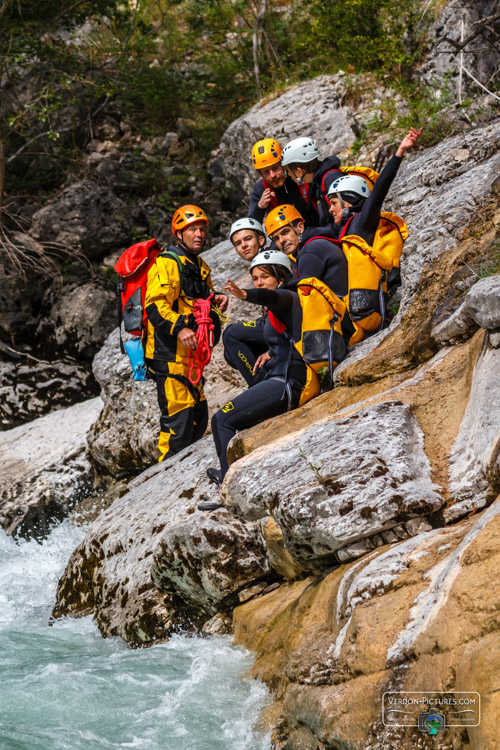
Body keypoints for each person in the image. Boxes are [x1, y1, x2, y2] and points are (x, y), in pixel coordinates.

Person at [199, 250, 320, 510]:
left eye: (264, 276)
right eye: (254, 279)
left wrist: (246, 295)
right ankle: (227, 476)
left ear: (280, 276)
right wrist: (269, 352)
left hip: (288, 382)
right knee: (224, 419)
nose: (259, 283)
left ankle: (226, 487)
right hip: (281, 377)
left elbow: (272, 296)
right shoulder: (278, 309)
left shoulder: (289, 296)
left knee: (222, 420)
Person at [144, 204, 228, 462]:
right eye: (192, 229)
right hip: (169, 354)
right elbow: (155, 304)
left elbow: (201, 301)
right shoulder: (167, 263)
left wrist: (217, 302)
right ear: (178, 234)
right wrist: (179, 328)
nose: (199, 234)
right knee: (177, 426)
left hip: (191, 358)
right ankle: (161, 482)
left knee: (198, 418)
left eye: (202, 229)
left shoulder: (200, 266)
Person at [264, 204, 349, 302]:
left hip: (344, 312)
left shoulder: (310, 251)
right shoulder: (314, 244)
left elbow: (305, 295)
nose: (281, 240)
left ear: (300, 227)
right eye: (276, 238)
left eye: (285, 232)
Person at [222, 217, 269, 386]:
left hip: (285, 327)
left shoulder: (272, 261)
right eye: (238, 243)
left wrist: (244, 294)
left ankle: (259, 385)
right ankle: (269, 373)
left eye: (248, 239)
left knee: (231, 334)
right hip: (273, 324)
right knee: (231, 353)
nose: (244, 245)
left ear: (261, 239)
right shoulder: (259, 263)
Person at [248, 138, 317, 227]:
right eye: (266, 172)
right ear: (260, 174)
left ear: (283, 164)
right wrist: (260, 207)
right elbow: (251, 227)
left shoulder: (299, 177)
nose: (272, 175)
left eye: (275, 168)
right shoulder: (260, 191)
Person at [280, 136, 341, 225]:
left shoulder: (330, 180)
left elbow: (343, 218)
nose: (288, 175)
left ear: (300, 171)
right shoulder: (316, 183)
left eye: (288, 170)